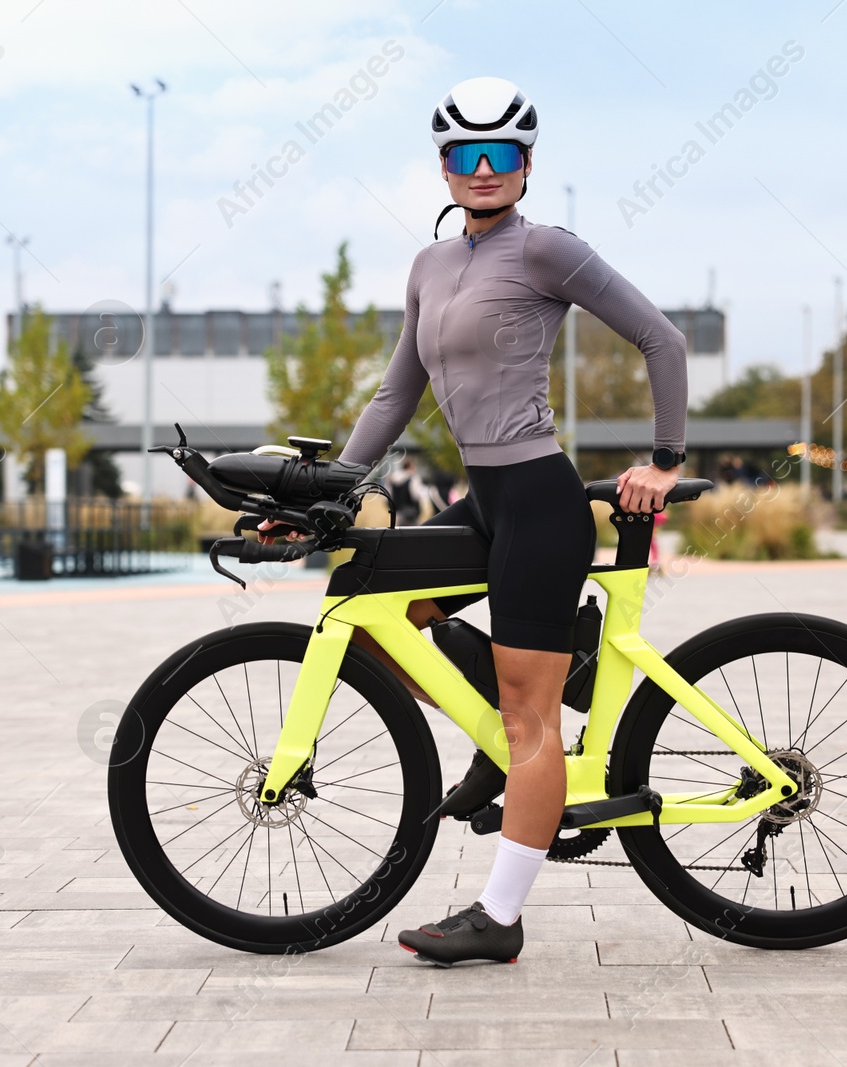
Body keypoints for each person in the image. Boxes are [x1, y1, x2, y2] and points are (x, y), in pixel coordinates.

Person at [262, 76, 687, 965]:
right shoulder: (430, 266)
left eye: (501, 154)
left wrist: (664, 458)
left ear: (527, 166)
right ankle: (506, 720)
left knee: (530, 719)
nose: (483, 169)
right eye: (465, 154)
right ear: (445, 166)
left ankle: (500, 915)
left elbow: (663, 339)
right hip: (481, 501)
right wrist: (331, 487)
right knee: (376, 615)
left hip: (538, 500)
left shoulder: (547, 253)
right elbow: (395, 391)